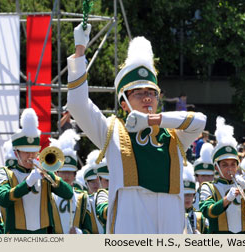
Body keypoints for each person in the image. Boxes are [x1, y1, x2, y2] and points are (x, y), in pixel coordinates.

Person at [67, 23, 207, 233]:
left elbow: (199, 121)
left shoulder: (174, 135)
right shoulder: (112, 131)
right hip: (132, 217)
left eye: (151, 92)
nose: (147, 97)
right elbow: (78, 106)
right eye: (138, 93)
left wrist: (153, 121)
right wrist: (79, 51)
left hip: (170, 218)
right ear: (124, 103)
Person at [0, 108, 74, 234]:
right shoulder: (6, 173)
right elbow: (3, 199)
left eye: (34, 151)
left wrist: (50, 175)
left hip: (43, 233)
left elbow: (69, 193)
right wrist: (27, 183)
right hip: (17, 234)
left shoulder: (43, 172)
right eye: (26, 152)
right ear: (16, 154)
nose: (31, 156)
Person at [199, 117, 245, 233]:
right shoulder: (208, 187)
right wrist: (226, 200)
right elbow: (208, 212)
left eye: (233, 164)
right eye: (224, 165)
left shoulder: (243, 185)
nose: (230, 169)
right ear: (216, 167)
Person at [49, 129, 92, 234]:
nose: (66, 175)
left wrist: (80, 233)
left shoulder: (83, 197)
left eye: (70, 172)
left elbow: (90, 229)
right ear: (57, 173)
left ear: (74, 175)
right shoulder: (49, 196)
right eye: (63, 172)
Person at [183, 162, 208, 234]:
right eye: (184, 195)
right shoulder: (171, 217)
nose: (187, 198)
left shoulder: (200, 218)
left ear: (194, 195)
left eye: (189, 195)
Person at [83, 150, 104, 234]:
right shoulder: (83, 201)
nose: (96, 184)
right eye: (92, 181)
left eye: (98, 181)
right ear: (86, 183)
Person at [193, 142, 214, 210]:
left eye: (209, 176)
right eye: (203, 175)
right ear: (197, 177)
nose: (206, 179)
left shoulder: (219, 194)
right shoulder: (191, 194)